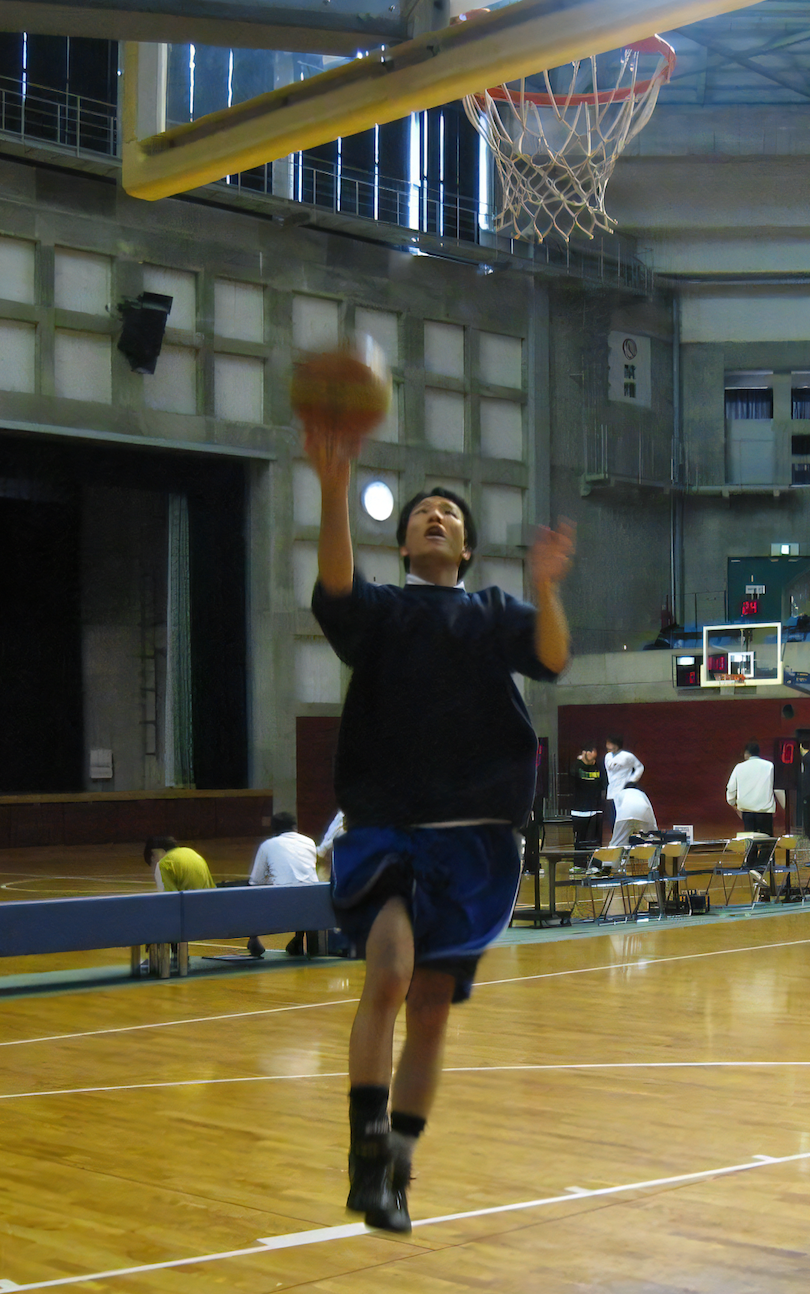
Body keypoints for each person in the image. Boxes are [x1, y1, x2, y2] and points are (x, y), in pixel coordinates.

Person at [306, 424, 574, 1235]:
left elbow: (552, 658)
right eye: (422, 512)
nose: (434, 517)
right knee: (388, 973)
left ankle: (399, 1165)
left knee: (430, 1007)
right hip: (389, 828)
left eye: (449, 514)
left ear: (466, 548)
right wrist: (332, 489)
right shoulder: (382, 611)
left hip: (476, 840)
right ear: (403, 544)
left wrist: (546, 585)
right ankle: (365, 1152)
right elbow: (336, 586)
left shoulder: (492, 613)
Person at [246, 812, 319, 958]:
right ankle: (299, 939)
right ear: (295, 827)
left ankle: (253, 939)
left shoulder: (268, 845)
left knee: (250, 891)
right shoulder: (309, 842)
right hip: (315, 899)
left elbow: (256, 880)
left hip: (284, 902)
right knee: (302, 887)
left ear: (274, 830)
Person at [726, 740, 778, 871]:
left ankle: (751, 866)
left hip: (747, 811)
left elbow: (731, 789)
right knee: (768, 841)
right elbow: (777, 787)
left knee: (750, 841)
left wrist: (734, 805)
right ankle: (762, 866)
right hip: (765, 811)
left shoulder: (739, 767)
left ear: (746, 753)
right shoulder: (769, 766)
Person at [144, 836, 215, 891]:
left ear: (154, 855)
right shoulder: (190, 852)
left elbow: (168, 898)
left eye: (152, 864)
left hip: (189, 904)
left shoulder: (163, 864)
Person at [570, 744, 605, 850]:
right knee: (580, 840)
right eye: (591, 752)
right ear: (584, 752)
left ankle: (594, 860)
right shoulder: (576, 766)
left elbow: (603, 784)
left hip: (595, 810)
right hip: (579, 810)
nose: (593, 755)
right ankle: (579, 860)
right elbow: (572, 778)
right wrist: (582, 762)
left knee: (595, 842)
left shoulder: (598, 767)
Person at [608, 785, 658, 849]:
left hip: (625, 815)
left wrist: (615, 831)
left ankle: (611, 854)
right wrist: (654, 832)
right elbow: (650, 811)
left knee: (617, 844)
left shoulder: (620, 793)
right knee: (649, 840)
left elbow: (614, 812)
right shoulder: (642, 794)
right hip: (643, 813)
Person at [604, 736, 644, 808]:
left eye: (610, 744)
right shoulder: (608, 756)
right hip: (611, 789)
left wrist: (632, 781)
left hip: (623, 787)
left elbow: (640, 767)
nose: (607, 746)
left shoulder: (627, 756)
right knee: (611, 810)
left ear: (616, 745)